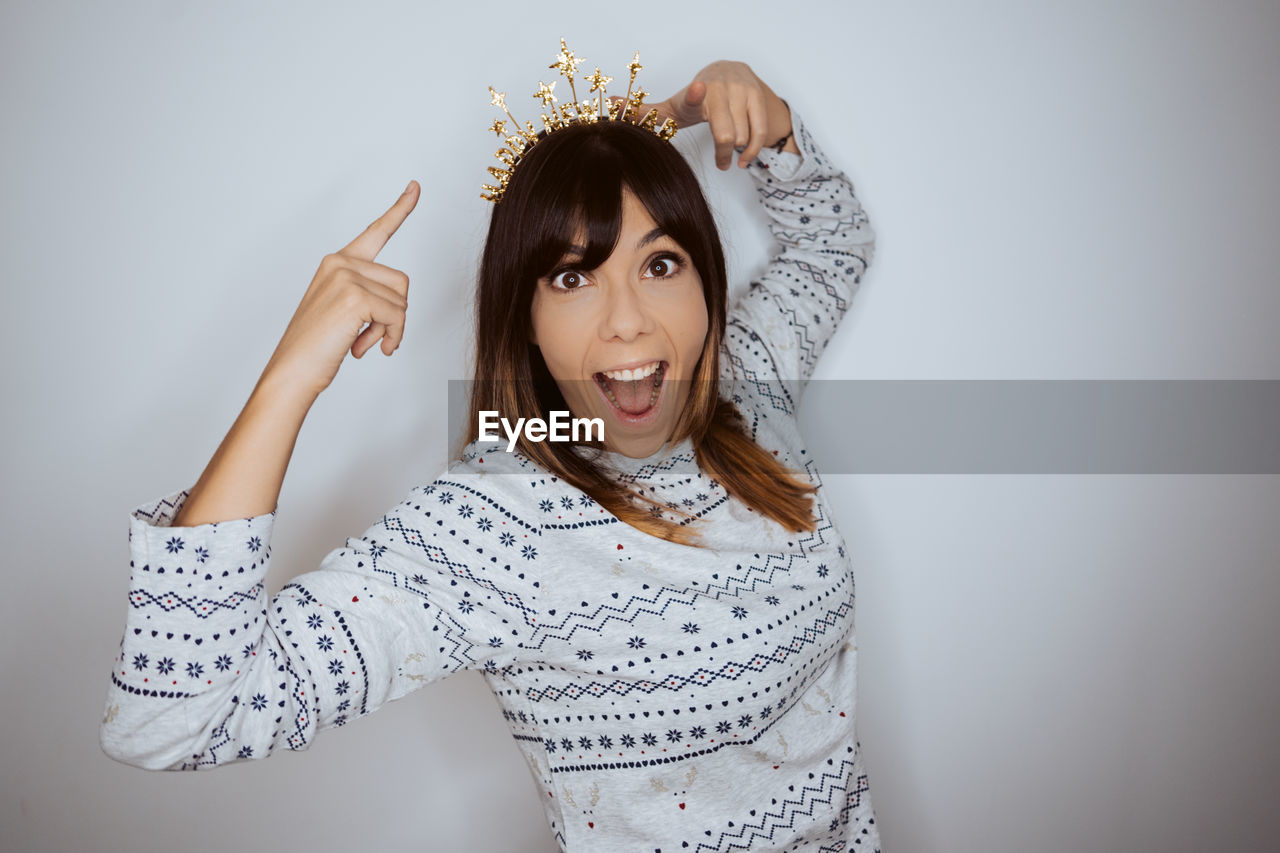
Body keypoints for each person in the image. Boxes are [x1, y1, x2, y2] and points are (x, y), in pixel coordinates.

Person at [101, 47, 880, 852]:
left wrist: (770, 124)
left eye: (660, 264)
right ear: (525, 317)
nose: (627, 321)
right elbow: (171, 721)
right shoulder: (499, 524)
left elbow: (833, 247)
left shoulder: (747, 386)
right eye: (574, 277)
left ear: (706, 284)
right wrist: (288, 379)